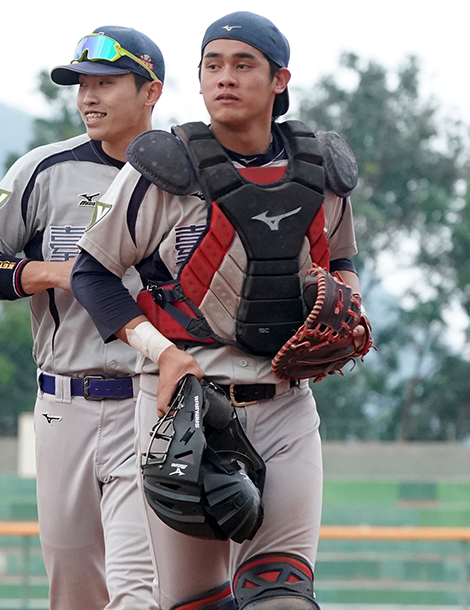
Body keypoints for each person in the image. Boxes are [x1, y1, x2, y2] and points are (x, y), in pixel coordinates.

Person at [71, 12, 364, 610]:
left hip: (284, 403)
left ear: (280, 78)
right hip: (184, 409)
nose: (224, 78)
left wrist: (347, 303)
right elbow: (92, 275)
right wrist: (162, 351)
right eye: (212, 65)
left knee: (281, 595)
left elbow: (343, 261)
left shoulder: (321, 170)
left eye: (243, 64)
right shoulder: (164, 169)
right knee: (197, 602)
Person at [0, 26, 163, 610]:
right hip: (63, 402)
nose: (88, 97)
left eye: (107, 83)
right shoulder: (44, 170)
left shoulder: (185, 177)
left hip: (147, 398)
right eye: (81, 85)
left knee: (136, 588)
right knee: (73, 590)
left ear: (151, 91)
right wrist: (52, 272)